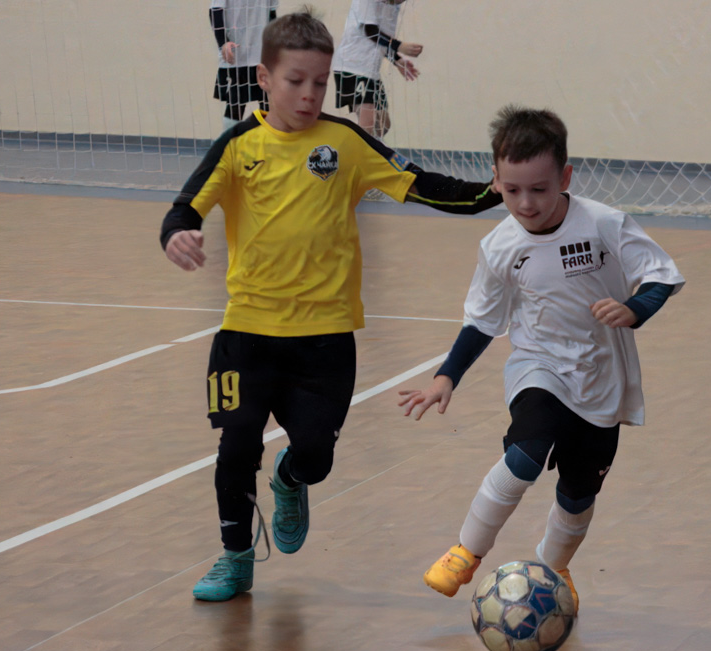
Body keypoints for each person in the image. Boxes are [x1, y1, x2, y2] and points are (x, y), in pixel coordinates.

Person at [160, 7, 502, 602]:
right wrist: (177, 234)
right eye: (296, 81)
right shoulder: (239, 145)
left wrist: (488, 194)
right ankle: (235, 558)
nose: (310, 94)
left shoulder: (344, 141)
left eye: (320, 82)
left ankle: (291, 478)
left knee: (316, 456)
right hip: (246, 331)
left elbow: (420, 183)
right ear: (264, 78)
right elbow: (185, 206)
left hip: (325, 339)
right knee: (236, 446)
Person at [398, 106, 685, 615]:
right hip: (539, 364)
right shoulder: (499, 246)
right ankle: (466, 551)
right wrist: (446, 377)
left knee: (578, 494)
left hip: (601, 376)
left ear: (565, 178)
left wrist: (634, 308)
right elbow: (483, 321)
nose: (525, 203)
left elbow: (661, 274)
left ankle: (554, 568)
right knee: (525, 453)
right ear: (495, 180)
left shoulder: (603, 224)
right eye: (512, 191)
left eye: (539, 189)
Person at [332, 0, 421, 138]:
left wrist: (397, 60)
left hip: (370, 71)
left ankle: (353, 143)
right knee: (368, 123)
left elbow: (381, 41)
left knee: (383, 125)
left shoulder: (393, 7)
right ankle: (351, 148)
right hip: (352, 67)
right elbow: (371, 32)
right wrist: (399, 46)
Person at [209, 0, 279, 129]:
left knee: (269, 103)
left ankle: (268, 139)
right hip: (237, 55)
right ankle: (230, 139)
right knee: (235, 105)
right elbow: (215, 11)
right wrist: (223, 42)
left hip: (262, 54)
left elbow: (272, 14)